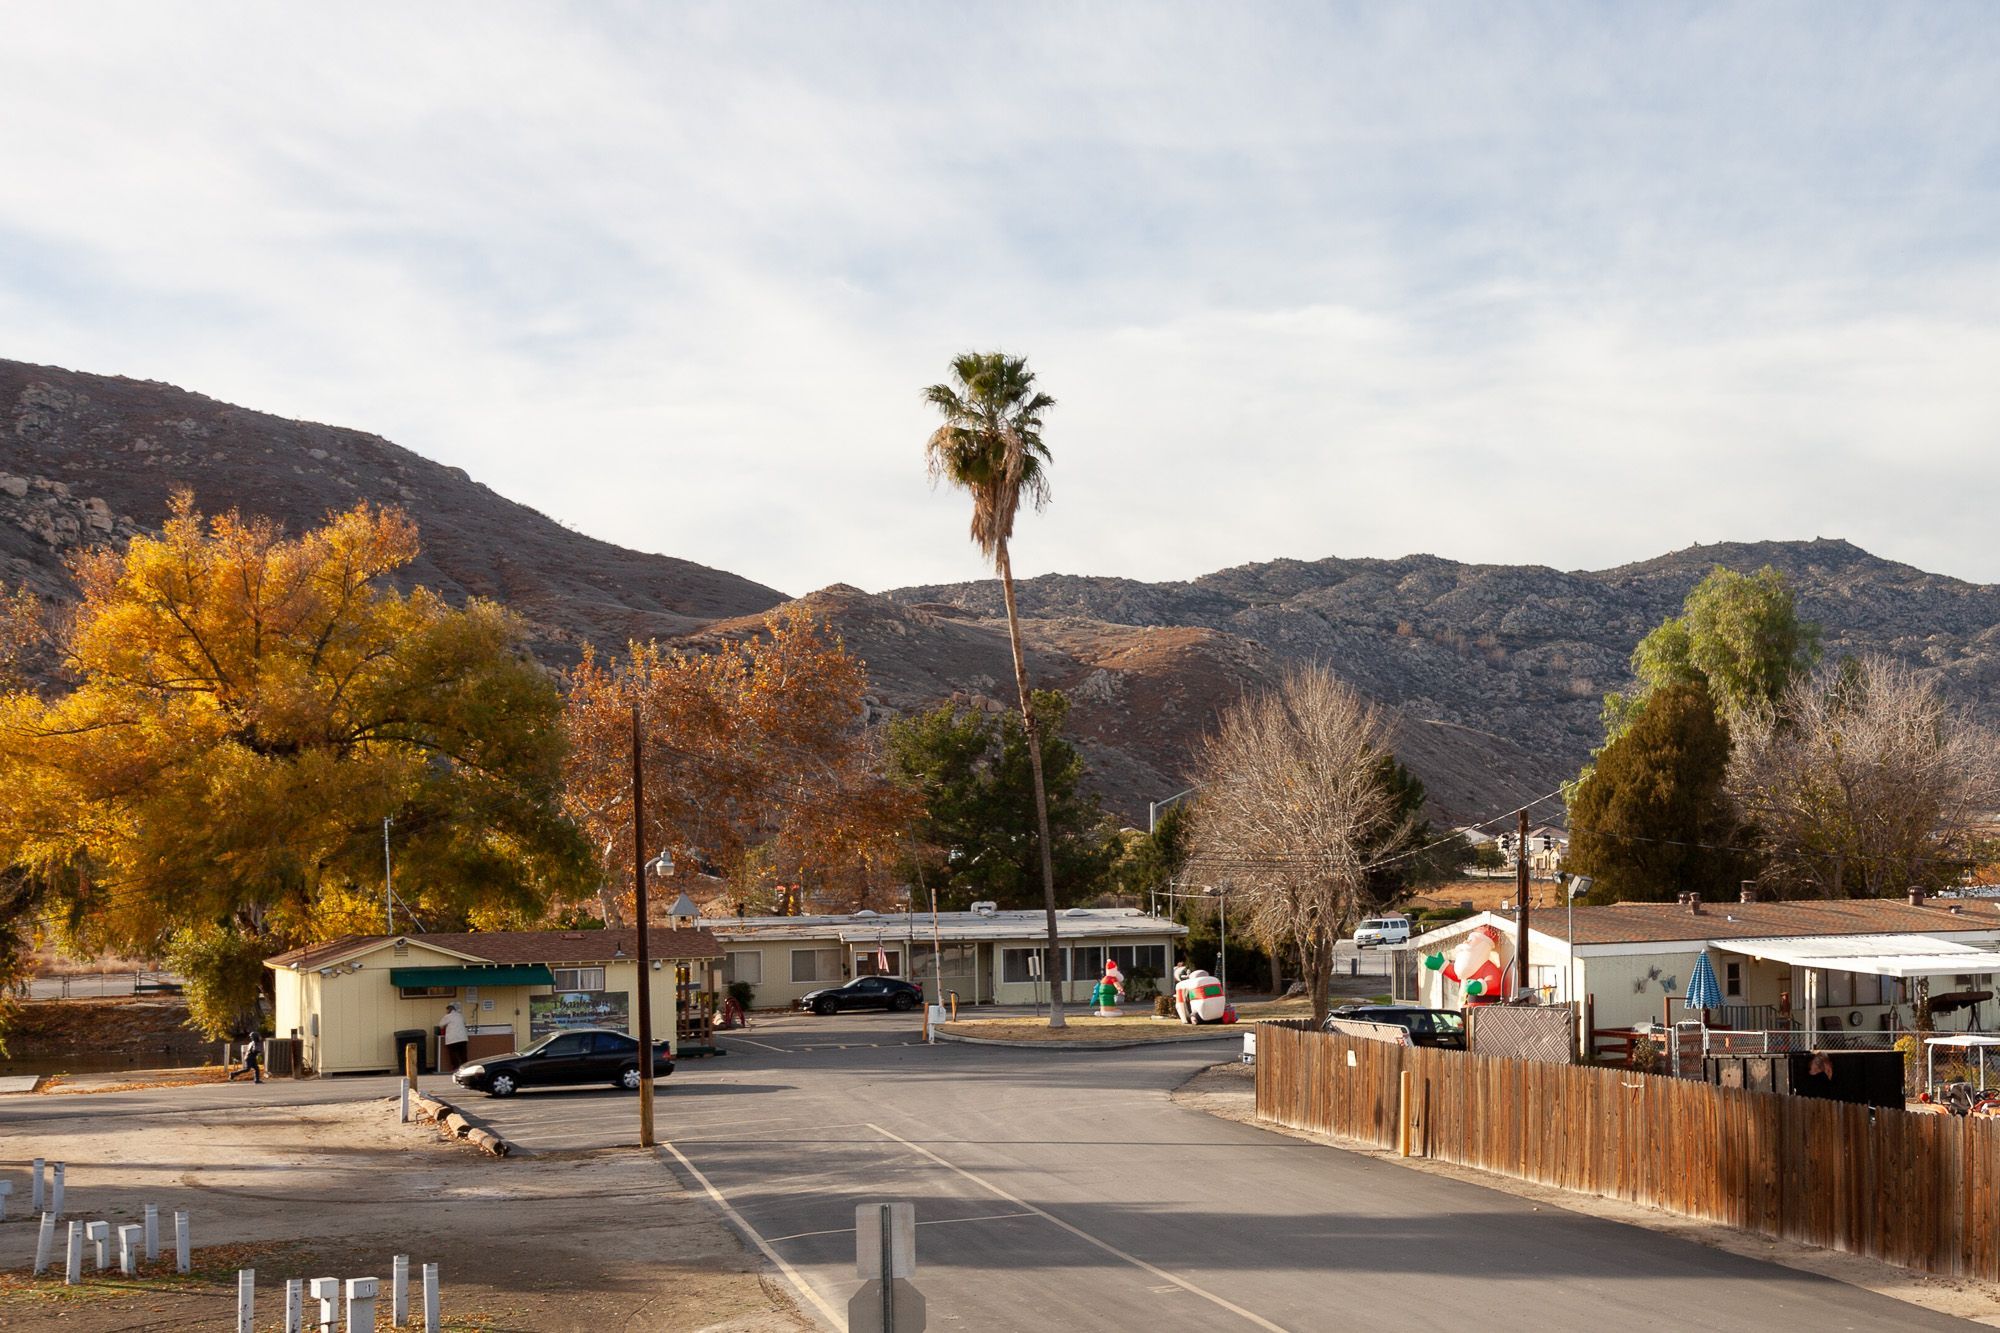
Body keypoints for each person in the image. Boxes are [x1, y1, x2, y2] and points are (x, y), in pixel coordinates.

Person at [439, 1002, 469, 1071]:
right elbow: (464, 1023)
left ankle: (456, 1068)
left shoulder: (447, 1016)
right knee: (463, 1054)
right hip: (463, 1038)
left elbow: (441, 1025)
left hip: (452, 1039)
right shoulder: (460, 1015)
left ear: (449, 1010)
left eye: (447, 1010)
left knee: (453, 1054)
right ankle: (465, 1068)